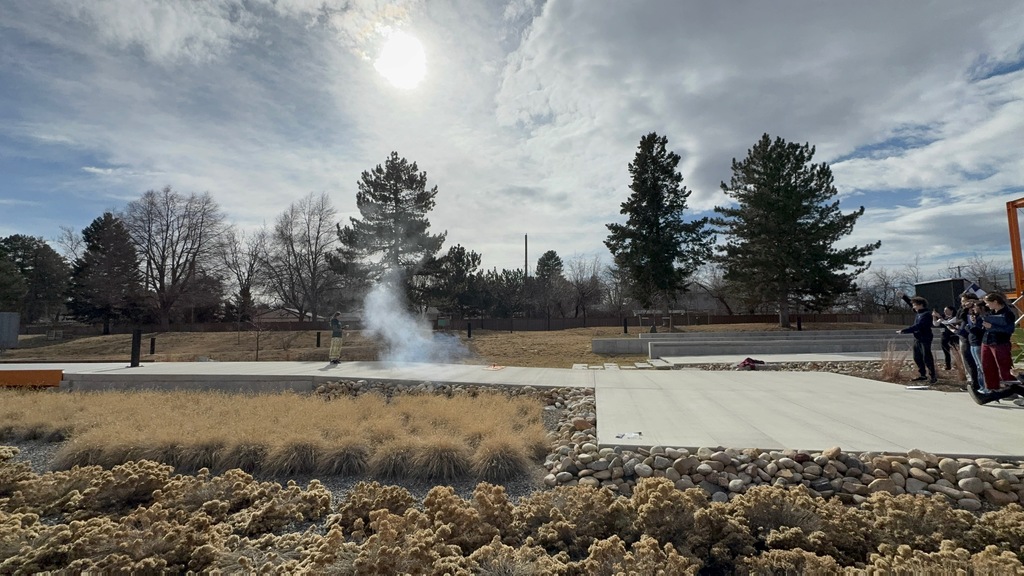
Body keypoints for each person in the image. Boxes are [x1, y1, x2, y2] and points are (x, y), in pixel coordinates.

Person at [979, 292, 1017, 393]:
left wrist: (992, 327)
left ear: (995, 302)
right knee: (987, 366)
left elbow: (1009, 329)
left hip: (1000, 343)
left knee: (1004, 366)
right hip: (987, 341)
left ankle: (1011, 389)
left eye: (988, 303)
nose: (987, 305)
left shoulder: (1007, 313)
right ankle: (992, 389)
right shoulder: (991, 312)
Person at [897, 292, 937, 384]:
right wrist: (903, 297)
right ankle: (922, 375)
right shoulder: (919, 312)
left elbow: (919, 326)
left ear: (921, 305)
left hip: (925, 338)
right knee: (917, 357)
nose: (913, 306)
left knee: (927, 357)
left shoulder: (926, 314)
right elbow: (909, 303)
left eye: (915, 305)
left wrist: (904, 331)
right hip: (917, 338)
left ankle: (933, 376)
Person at [956, 292, 981, 390]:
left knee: (975, 363)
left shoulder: (978, 308)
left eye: (964, 301)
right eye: (962, 301)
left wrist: (973, 306)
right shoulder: (963, 310)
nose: (963, 303)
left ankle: (978, 382)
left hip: (973, 338)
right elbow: (960, 317)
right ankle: (971, 380)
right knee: (966, 361)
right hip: (963, 336)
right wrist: (964, 308)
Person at [933, 305, 959, 371]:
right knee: (946, 352)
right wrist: (934, 317)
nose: (945, 312)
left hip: (953, 337)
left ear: (952, 311)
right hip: (944, 336)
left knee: (956, 352)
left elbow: (947, 323)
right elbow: (936, 324)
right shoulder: (943, 317)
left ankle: (958, 365)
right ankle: (948, 366)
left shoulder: (955, 318)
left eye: (947, 310)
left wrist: (940, 317)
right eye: (944, 310)